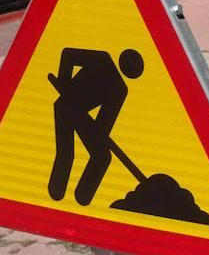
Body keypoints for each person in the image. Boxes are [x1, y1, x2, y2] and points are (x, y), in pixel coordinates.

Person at [47, 48, 144, 206]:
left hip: (81, 116)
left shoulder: (120, 90)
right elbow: (68, 55)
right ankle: (56, 193)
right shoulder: (102, 59)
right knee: (66, 152)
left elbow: (103, 124)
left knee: (102, 156)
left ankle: (82, 197)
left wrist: (97, 133)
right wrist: (65, 80)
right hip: (65, 106)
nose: (131, 66)